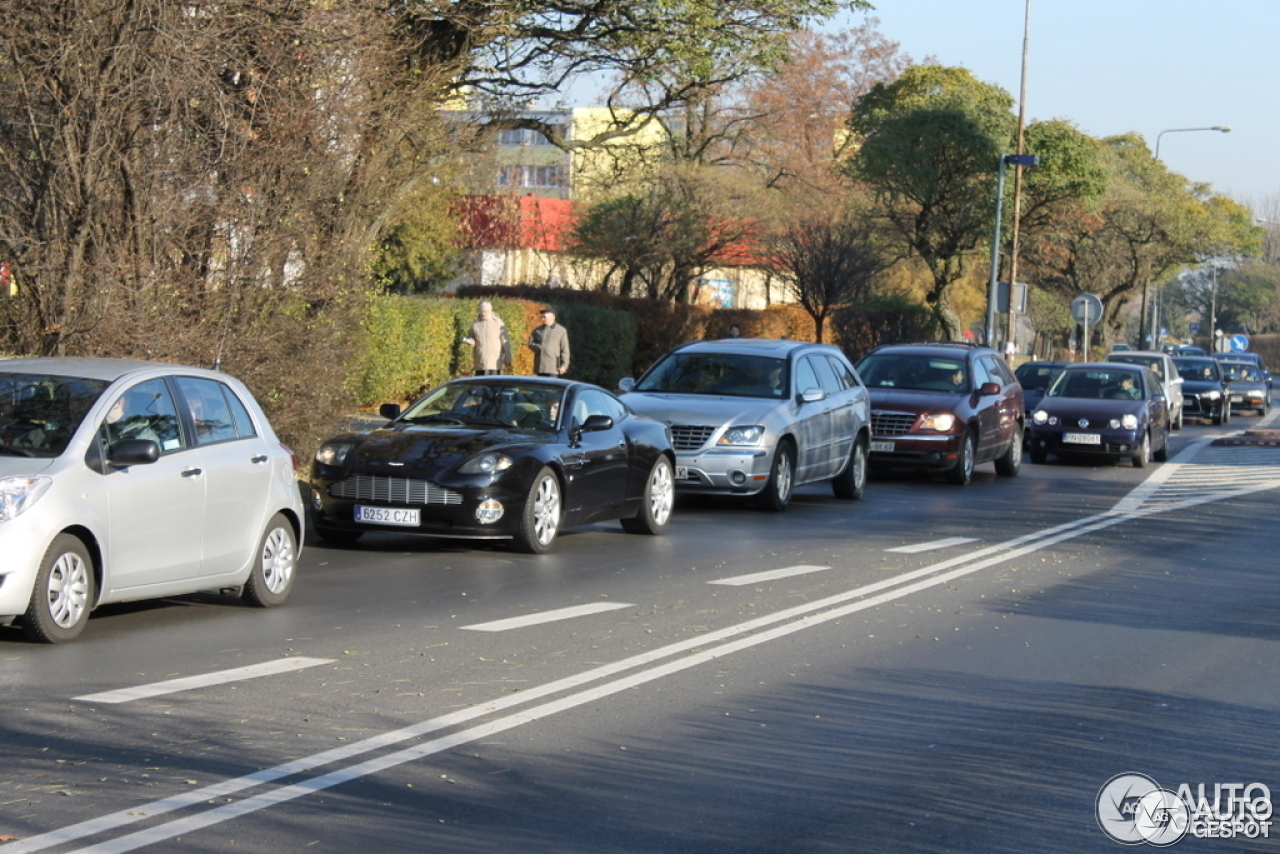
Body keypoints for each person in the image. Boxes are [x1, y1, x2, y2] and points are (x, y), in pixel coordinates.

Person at [461, 301, 512, 376]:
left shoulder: (498, 323)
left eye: (486, 312)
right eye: (482, 311)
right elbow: (472, 338)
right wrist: (469, 341)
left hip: (494, 363)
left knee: (493, 385)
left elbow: (505, 341)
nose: (483, 314)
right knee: (480, 385)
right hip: (480, 361)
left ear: (490, 311)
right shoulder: (475, 325)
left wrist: (508, 356)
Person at [528, 307, 570, 377]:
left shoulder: (561, 330)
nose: (542, 319)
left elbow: (565, 349)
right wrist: (538, 347)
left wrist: (564, 365)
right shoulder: (538, 330)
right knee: (540, 387)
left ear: (553, 317)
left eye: (544, 317)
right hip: (540, 366)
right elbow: (530, 343)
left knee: (551, 387)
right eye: (541, 317)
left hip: (554, 367)